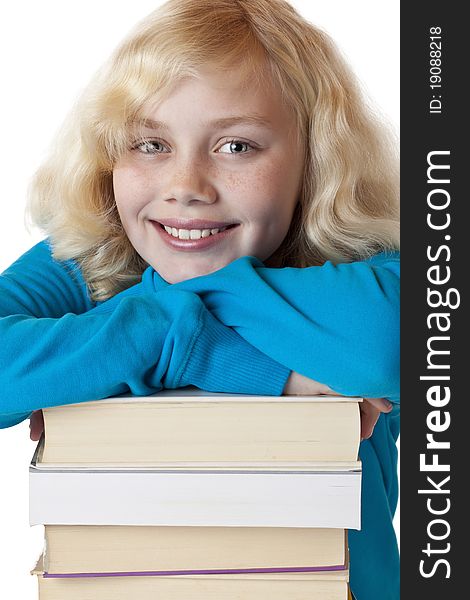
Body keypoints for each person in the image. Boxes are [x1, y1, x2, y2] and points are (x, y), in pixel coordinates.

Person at [0, 1, 399, 598]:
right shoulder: (98, 255)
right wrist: (183, 340)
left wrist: (142, 322)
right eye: (150, 144)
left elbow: (391, 345)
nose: (185, 187)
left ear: (315, 161)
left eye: (237, 146)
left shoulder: (370, 262)